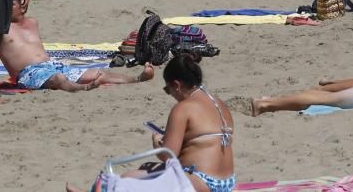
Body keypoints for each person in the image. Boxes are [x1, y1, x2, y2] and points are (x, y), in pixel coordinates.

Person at [68, 53, 234, 192]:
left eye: (167, 89)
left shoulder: (183, 108)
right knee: (145, 168)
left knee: (123, 182)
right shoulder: (219, 103)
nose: (169, 94)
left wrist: (158, 144)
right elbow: (203, 144)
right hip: (226, 182)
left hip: (202, 182)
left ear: (177, 85)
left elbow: (167, 155)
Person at [0, 0, 153, 92]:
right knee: (59, 79)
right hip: (29, 74)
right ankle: (84, 88)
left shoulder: (32, 22)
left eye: (11, 4)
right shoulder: (1, 29)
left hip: (51, 65)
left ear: (22, 5)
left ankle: (137, 79)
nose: (6, 8)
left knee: (99, 73)